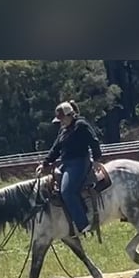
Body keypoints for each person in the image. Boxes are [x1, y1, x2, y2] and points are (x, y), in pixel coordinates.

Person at [36, 100, 103, 236]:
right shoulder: (64, 129)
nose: (61, 122)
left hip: (79, 162)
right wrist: (45, 163)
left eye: (62, 119)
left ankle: (83, 224)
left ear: (70, 115)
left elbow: (93, 141)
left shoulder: (81, 125)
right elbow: (56, 148)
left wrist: (96, 159)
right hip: (66, 164)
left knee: (67, 191)